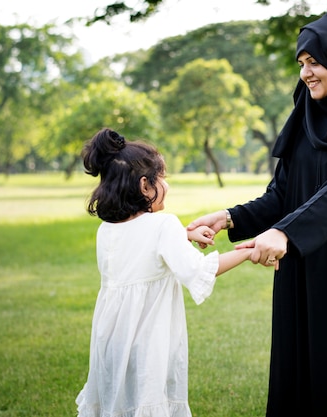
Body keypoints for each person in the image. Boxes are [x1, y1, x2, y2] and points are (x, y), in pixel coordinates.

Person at [187, 10, 327, 417]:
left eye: (315, 62)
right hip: (307, 274)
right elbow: (282, 195)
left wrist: (286, 234)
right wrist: (228, 217)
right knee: (306, 382)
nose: (306, 73)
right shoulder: (306, 118)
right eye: (301, 64)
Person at [75, 128, 253, 417]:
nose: (167, 186)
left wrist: (182, 235)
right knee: (148, 402)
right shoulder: (163, 225)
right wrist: (247, 250)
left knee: (117, 404)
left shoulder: (105, 230)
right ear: (145, 186)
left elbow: (140, 252)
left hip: (111, 339)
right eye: (163, 178)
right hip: (148, 339)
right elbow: (198, 271)